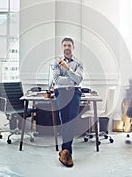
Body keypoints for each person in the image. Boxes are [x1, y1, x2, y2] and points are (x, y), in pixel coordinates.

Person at [53, 37, 83, 167]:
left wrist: (67, 69)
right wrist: (72, 78)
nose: (67, 47)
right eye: (64, 45)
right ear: (62, 47)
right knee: (64, 120)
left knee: (71, 121)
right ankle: (67, 152)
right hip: (62, 93)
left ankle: (65, 151)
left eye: (69, 45)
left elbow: (79, 80)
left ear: (73, 47)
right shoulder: (56, 62)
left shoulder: (78, 62)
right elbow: (57, 80)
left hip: (74, 93)